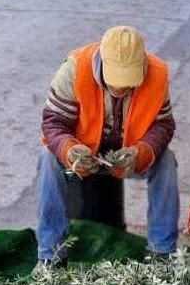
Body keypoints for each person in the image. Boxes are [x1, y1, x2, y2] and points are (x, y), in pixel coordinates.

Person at [36, 26, 180, 269]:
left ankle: (161, 252)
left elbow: (163, 126)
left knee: (166, 161)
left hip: (127, 156)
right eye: (116, 81)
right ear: (101, 63)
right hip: (83, 153)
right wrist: (69, 150)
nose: (121, 89)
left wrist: (140, 153)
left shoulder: (156, 74)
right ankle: (50, 254)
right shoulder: (74, 69)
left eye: (128, 82)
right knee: (47, 160)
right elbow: (53, 124)